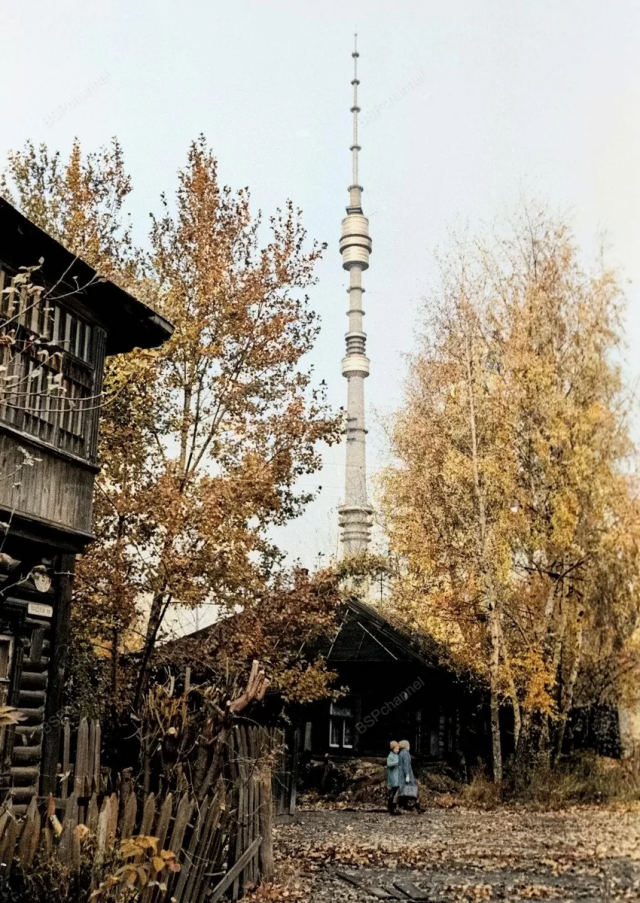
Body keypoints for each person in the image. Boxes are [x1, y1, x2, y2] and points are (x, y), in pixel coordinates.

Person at [397, 739, 421, 812]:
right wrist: (407, 775)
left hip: (401, 774)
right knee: (412, 789)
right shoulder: (405, 753)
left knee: (403, 790)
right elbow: (406, 765)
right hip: (406, 775)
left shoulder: (401, 753)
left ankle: (407, 805)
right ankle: (417, 806)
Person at [386, 741, 400, 814]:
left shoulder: (397, 755)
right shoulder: (390, 756)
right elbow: (389, 764)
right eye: (396, 748)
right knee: (394, 791)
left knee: (395, 791)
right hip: (393, 776)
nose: (398, 750)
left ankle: (392, 807)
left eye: (398, 748)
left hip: (397, 775)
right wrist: (397, 762)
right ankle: (392, 807)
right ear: (392, 748)